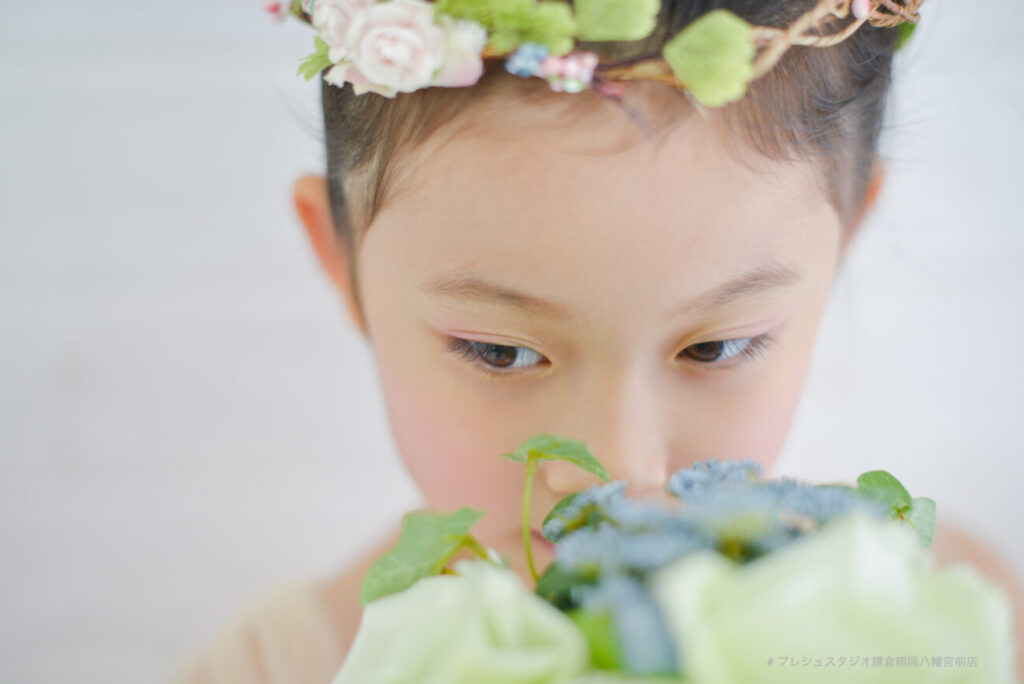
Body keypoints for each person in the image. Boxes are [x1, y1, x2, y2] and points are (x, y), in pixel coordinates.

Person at [175, 0, 1024, 681]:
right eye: (499, 352)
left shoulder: (955, 625)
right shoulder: (269, 669)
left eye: (715, 348)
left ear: (844, 245)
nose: (618, 471)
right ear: (342, 261)